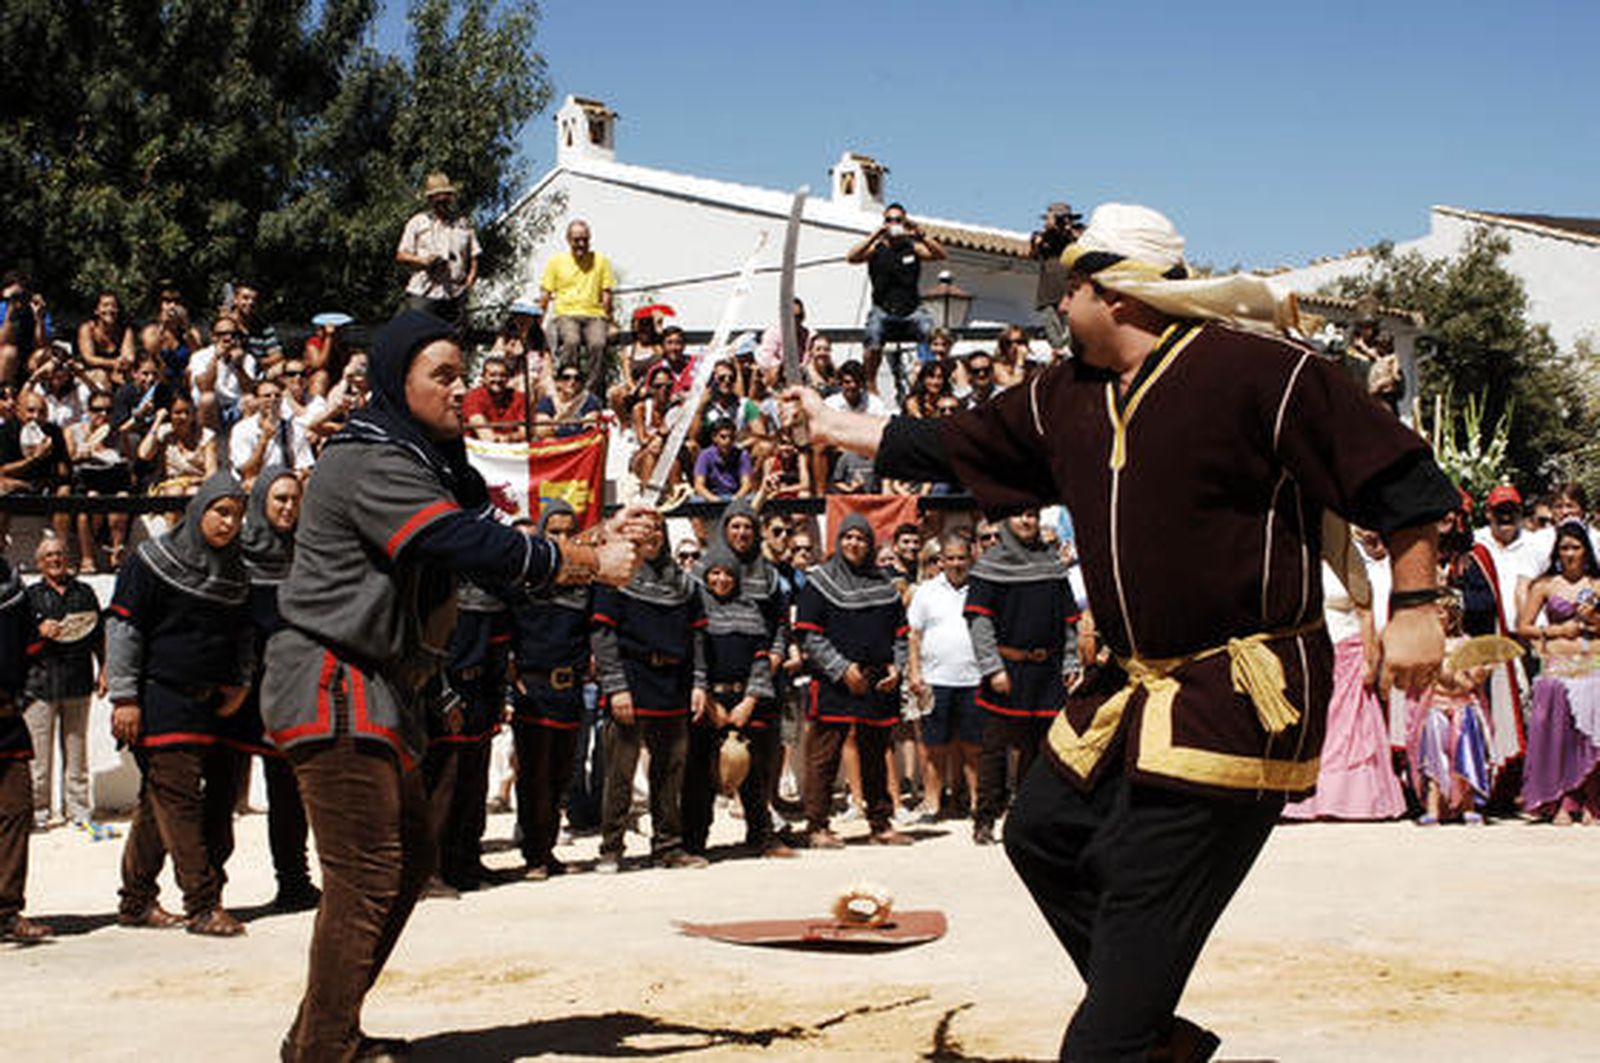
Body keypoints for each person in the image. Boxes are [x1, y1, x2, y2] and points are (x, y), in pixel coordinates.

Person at [789, 202, 1454, 1060]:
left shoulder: (1262, 372)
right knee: (1043, 833)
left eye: (1072, 291)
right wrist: (840, 425)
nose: (1058, 309)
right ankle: (1149, 1028)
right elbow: (958, 441)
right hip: (1130, 689)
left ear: (1119, 294)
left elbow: (1399, 475)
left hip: (1237, 694)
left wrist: (1414, 607)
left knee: (1110, 1011)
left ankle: (1126, 1032)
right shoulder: (1065, 396)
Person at [259, 310, 642, 1062]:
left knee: (401, 860)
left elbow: (488, 536)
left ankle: (320, 1032)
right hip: (333, 680)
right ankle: (322, 1048)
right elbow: (459, 539)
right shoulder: (371, 458)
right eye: (442, 373)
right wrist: (586, 563)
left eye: (461, 372)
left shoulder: (420, 462)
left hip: (374, 685)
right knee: (370, 871)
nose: (460, 387)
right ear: (400, 380)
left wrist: (585, 541)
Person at [107, 473, 254, 937]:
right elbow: (124, 628)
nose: (229, 523)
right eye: (221, 512)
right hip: (159, 699)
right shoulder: (150, 562)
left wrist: (240, 682)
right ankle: (203, 904)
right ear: (199, 510)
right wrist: (126, 697)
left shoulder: (233, 569)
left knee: (160, 803)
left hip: (208, 703)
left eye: (237, 514)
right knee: (181, 802)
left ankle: (135, 902)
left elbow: (243, 634)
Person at [217, 468, 319, 912]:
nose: (288, 508)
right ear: (261, 501)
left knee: (289, 793)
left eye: (294, 500)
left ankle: (294, 882)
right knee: (221, 792)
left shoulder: (308, 556)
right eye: (279, 499)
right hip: (238, 691)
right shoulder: (234, 558)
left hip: (289, 689)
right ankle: (207, 892)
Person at [591, 511, 707, 873]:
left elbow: (698, 638)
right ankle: (611, 847)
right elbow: (603, 635)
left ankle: (668, 846)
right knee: (620, 773)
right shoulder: (617, 578)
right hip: (632, 678)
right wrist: (616, 686)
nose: (653, 536)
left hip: (673, 684)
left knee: (670, 771)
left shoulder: (686, 585)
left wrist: (699, 683)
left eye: (659, 529)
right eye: (647, 529)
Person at [795, 514, 909, 848]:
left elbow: (901, 635)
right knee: (825, 755)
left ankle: (880, 822)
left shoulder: (884, 585)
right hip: (835, 682)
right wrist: (841, 668)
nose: (853, 543)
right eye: (847, 537)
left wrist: (897, 667)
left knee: (875, 753)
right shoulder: (820, 583)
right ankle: (817, 825)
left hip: (877, 682)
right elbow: (809, 636)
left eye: (860, 538)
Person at [964, 508, 1076, 845]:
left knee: (1040, 750)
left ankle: (1028, 819)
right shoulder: (990, 565)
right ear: (1006, 522)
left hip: (1046, 672)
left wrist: (1070, 662)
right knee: (995, 749)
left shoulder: (1052, 563)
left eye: (1031, 515)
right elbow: (979, 622)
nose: (1026, 522)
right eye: (1019, 516)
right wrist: (993, 667)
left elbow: (1068, 621)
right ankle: (985, 818)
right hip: (1007, 669)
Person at [1280, 558, 1406, 821]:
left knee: (1350, 731)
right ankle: (1306, 800)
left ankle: (1352, 800)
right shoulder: (1300, 560)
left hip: (1348, 649)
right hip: (1313, 649)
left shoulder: (1351, 563)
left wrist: (1370, 659)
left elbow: (1366, 613)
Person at [683, 544, 787, 858]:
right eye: (715, 572)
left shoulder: (750, 610)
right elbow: (693, 658)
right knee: (699, 776)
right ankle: (694, 843)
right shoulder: (696, 609)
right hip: (708, 701)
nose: (722, 579)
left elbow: (760, 660)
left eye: (728, 573)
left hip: (744, 700)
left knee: (755, 773)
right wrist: (711, 702)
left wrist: (750, 700)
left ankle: (762, 838)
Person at [508, 501, 592, 880]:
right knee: (534, 776)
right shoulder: (523, 581)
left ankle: (550, 848)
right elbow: (504, 630)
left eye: (567, 532)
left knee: (561, 775)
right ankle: (534, 854)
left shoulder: (583, 581)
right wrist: (512, 679)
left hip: (570, 690)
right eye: (553, 531)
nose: (561, 539)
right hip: (533, 688)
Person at [424, 577, 511, 893]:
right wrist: (444, 698)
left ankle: (465, 863)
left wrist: (499, 697)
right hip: (447, 692)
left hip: (481, 693)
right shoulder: (440, 591)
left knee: (473, 785)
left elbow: (499, 651)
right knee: (443, 785)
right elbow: (431, 650)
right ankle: (429, 872)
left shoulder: (494, 594)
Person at [1514, 521, 1600, 824]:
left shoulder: (1597, 584)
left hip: (1593, 662)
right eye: (1564, 547)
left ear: (1586, 551)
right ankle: (1563, 797)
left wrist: (1593, 622)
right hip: (1558, 664)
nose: (1569, 553)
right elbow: (1522, 626)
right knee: (1560, 733)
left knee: (1590, 735)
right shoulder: (1546, 585)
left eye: (1575, 547)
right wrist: (1556, 629)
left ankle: (1591, 798)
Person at [23, 535, 103, 831]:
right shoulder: (29, 597)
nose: (55, 560)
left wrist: (105, 669)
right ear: (39, 563)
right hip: (39, 686)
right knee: (38, 760)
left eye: (59, 554)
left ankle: (78, 811)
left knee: (77, 754)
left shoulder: (85, 592)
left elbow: (98, 635)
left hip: (77, 682)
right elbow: (17, 638)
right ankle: (38, 812)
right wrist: (38, 630)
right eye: (49, 556)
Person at [908, 531, 982, 822]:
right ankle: (933, 803)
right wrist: (915, 672)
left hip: (974, 678)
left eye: (961, 558)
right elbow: (914, 635)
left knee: (973, 746)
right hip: (935, 678)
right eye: (949, 558)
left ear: (970, 557)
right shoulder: (926, 591)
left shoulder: (982, 588)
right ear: (940, 561)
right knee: (934, 747)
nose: (955, 564)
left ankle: (977, 804)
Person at [1, 544, 52, 941]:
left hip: (6, 723)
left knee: (16, 810)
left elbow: (34, 656)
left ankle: (6, 910)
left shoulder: (12, 588)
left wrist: (16, 702)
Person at [846, 202, 946, 392]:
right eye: (889, 220)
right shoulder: (876, 248)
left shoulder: (913, 247)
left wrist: (920, 233)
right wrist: (876, 234)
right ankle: (871, 383)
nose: (893, 223)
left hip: (912, 309)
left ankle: (929, 378)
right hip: (883, 308)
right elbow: (851, 257)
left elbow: (940, 254)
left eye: (898, 220)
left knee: (930, 332)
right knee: (873, 335)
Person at [540, 219, 615, 396]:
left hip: (594, 314)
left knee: (598, 343)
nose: (581, 244)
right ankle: (568, 387)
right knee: (571, 341)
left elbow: (607, 294)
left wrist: (611, 321)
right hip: (566, 313)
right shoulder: (556, 262)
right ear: (568, 240)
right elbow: (545, 294)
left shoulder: (601, 261)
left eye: (584, 239)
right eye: (576, 240)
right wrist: (539, 322)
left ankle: (591, 393)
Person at [396, 173, 480, 326]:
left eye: (446, 196)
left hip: (455, 295)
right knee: (416, 337)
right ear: (430, 199)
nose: (442, 201)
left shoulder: (463, 224)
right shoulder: (417, 222)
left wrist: (469, 283)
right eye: (437, 197)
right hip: (423, 293)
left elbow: (474, 257)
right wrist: (424, 261)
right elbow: (401, 255)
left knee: (453, 341)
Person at [229, 376, 314, 483]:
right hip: (256, 480)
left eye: (277, 395)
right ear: (257, 400)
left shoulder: (295, 428)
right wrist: (264, 440)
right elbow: (246, 471)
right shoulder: (242, 429)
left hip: (285, 480)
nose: (273, 399)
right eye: (267, 396)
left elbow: (305, 465)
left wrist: (299, 475)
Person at [1031, 202, 1085, 354]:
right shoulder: (1041, 237)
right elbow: (1033, 254)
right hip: (1048, 296)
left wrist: (1069, 231)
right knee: (1055, 340)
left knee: (1073, 338)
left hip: (1070, 296)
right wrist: (1047, 234)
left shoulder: (1077, 234)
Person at [463, 355, 527, 441]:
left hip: (512, 448)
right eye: (492, 375)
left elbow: (525, 433)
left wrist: (507, 438)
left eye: (503, 375)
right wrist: (512, 437)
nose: (498, 379)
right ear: (483, 378)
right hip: (478, 449)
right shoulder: (473, 397)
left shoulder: (519, 397)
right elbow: (486, 436)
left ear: (508, 378)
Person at [533, 363, 603, 439]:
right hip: (555, 444)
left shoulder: (589, 401)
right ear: (558, 382)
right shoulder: (547, 402)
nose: (572, 382)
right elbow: (541, 431)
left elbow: (590, 427)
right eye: (566, 378)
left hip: (580, 443)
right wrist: (560, 418)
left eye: (577, 378)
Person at [692, 421, 754, 502]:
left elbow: (746, 484)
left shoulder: (742, 455)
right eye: (723, 437)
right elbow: (699, 485)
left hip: (736, 496)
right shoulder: (705, 455)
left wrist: (736, 498)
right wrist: (714, 499)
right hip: (712, 496)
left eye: (731, 437)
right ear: (714, 438)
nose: (727, 441)